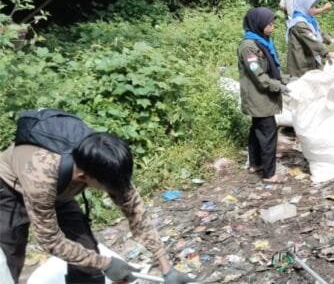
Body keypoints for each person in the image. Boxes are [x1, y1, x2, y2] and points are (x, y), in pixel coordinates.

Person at [0, 110, 193, 283]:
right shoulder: (41, 179)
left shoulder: (104, 159)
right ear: (83, 178)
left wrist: (167, 268)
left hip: (61, 187)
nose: (116, 191)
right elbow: (51, 240)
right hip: (11, 186)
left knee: (87, 253)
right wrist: (106, 264)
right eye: (110, 187)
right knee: (9, 256)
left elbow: (135, 212)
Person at [239, 7, 287, 183]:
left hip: (262, 94)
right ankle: (269, 174)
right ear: (258, 24)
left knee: (257, 130)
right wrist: (279, 86)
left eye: (273, 23)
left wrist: (287, 79)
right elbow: (258, 74)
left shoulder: (263, 42)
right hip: (258, 96)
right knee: (267, 132)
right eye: (269, 24)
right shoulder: (248, 47)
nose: (272, 27)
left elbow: (272, 69)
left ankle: (255, 163)